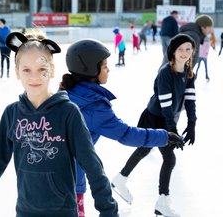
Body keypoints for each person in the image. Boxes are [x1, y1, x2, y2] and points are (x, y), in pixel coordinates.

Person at [0, 32, 119, 217]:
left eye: (41, 69)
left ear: (52, 70)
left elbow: (93, 166)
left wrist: (108, 211)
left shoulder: (68, 113)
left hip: (64, 212)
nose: (34, 77)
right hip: (25, 212)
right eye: (26, 70)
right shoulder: (12, 114)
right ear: (17, 72)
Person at [59, 38, 184, 217]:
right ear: (90, 70)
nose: (108, 69)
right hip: (70, 180)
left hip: (48, 177)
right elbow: (126, 134)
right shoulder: (94, 106)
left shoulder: (63, 94)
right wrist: (165, 136)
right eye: (104, 66)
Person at [112, 34, 197, 217]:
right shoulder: (166, 72)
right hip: (155, 117)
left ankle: (120, 179)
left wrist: (192, 123)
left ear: (193, 51)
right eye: (180, 49)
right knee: (169, 159)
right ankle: (162, 201)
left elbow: (190, 100)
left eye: (188, 49)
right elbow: (165, 105)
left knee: (144, 150)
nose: (184, 53)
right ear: (172, 51)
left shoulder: (189, 72)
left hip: (167, 118)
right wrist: (172, 130)